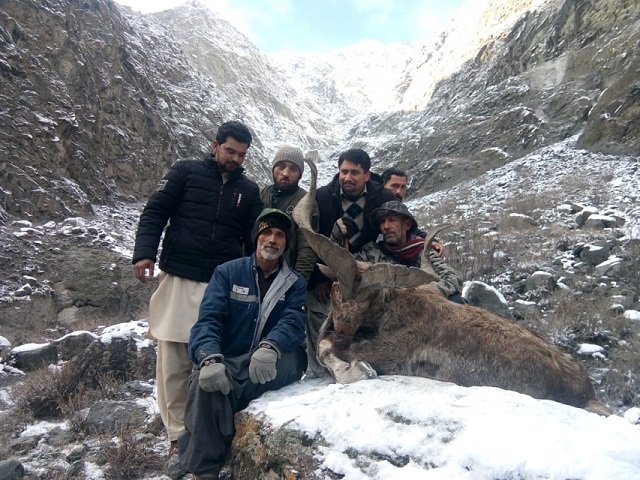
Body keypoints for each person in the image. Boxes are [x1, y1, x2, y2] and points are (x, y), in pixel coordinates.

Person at [131, 120, 263, 453]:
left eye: (241, 155)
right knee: (174, 361)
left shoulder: (248, 191)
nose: (235, 158)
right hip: (179, 279)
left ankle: (208, 428)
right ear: (215, 145)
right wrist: (144, 253)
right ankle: (177, 435)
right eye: (230, 151)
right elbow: (155, 211)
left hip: (222, 285)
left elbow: (253, 239)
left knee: (215, 358)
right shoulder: (185, 172)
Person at [178, 209, 307, 478]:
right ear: (256, 238)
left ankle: (212, 433)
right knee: (207, 381)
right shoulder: (227, 272)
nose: (272, 239)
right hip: (229, 359)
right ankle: (205, 472)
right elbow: (208, 320)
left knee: (293, 360)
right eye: (267, 232)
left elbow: (294, 321)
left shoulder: (295, 283)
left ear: (286, 244)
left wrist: (271, 345)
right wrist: (209, 358)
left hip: (272, 360)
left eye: (280, 235)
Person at [306, 148, 395, 376]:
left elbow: (399, 223)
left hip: (367, 271)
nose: (347, 177)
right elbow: (312, 237)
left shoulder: (382, 198)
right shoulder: (323, 197)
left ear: (367, 174)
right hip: (332, 271)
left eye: (354, 172)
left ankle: (368, 358)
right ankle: (323, 366)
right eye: (343, 171)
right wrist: (318, 278)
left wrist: (425, 241)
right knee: (322, 313)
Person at [355, 200, 464, 302]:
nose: (386, 226)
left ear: (407, 225)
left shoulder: (422, 251)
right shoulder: (371, 251)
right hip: (382, 310)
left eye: (392, 220)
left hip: (418, 307)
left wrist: (423, 292)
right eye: (382, 222)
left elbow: (453, 279)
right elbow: (351, 270)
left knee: (456, 300)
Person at [260, 146, 319, 280]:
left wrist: (299, 281)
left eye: (293, 169)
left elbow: (308, 246)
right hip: (255, 273)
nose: (285, 173)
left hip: (286, 276)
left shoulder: (306, 201)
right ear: (273, 168)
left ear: (300, 174)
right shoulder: (262, 194)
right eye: (281, 166)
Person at [381, 167, 445, 258]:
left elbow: (411, 230)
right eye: (394, 186)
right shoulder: (371, 205)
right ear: (383, 186)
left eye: (402, 187)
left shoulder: (400, 210)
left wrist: (429, 241)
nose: (399, 191)